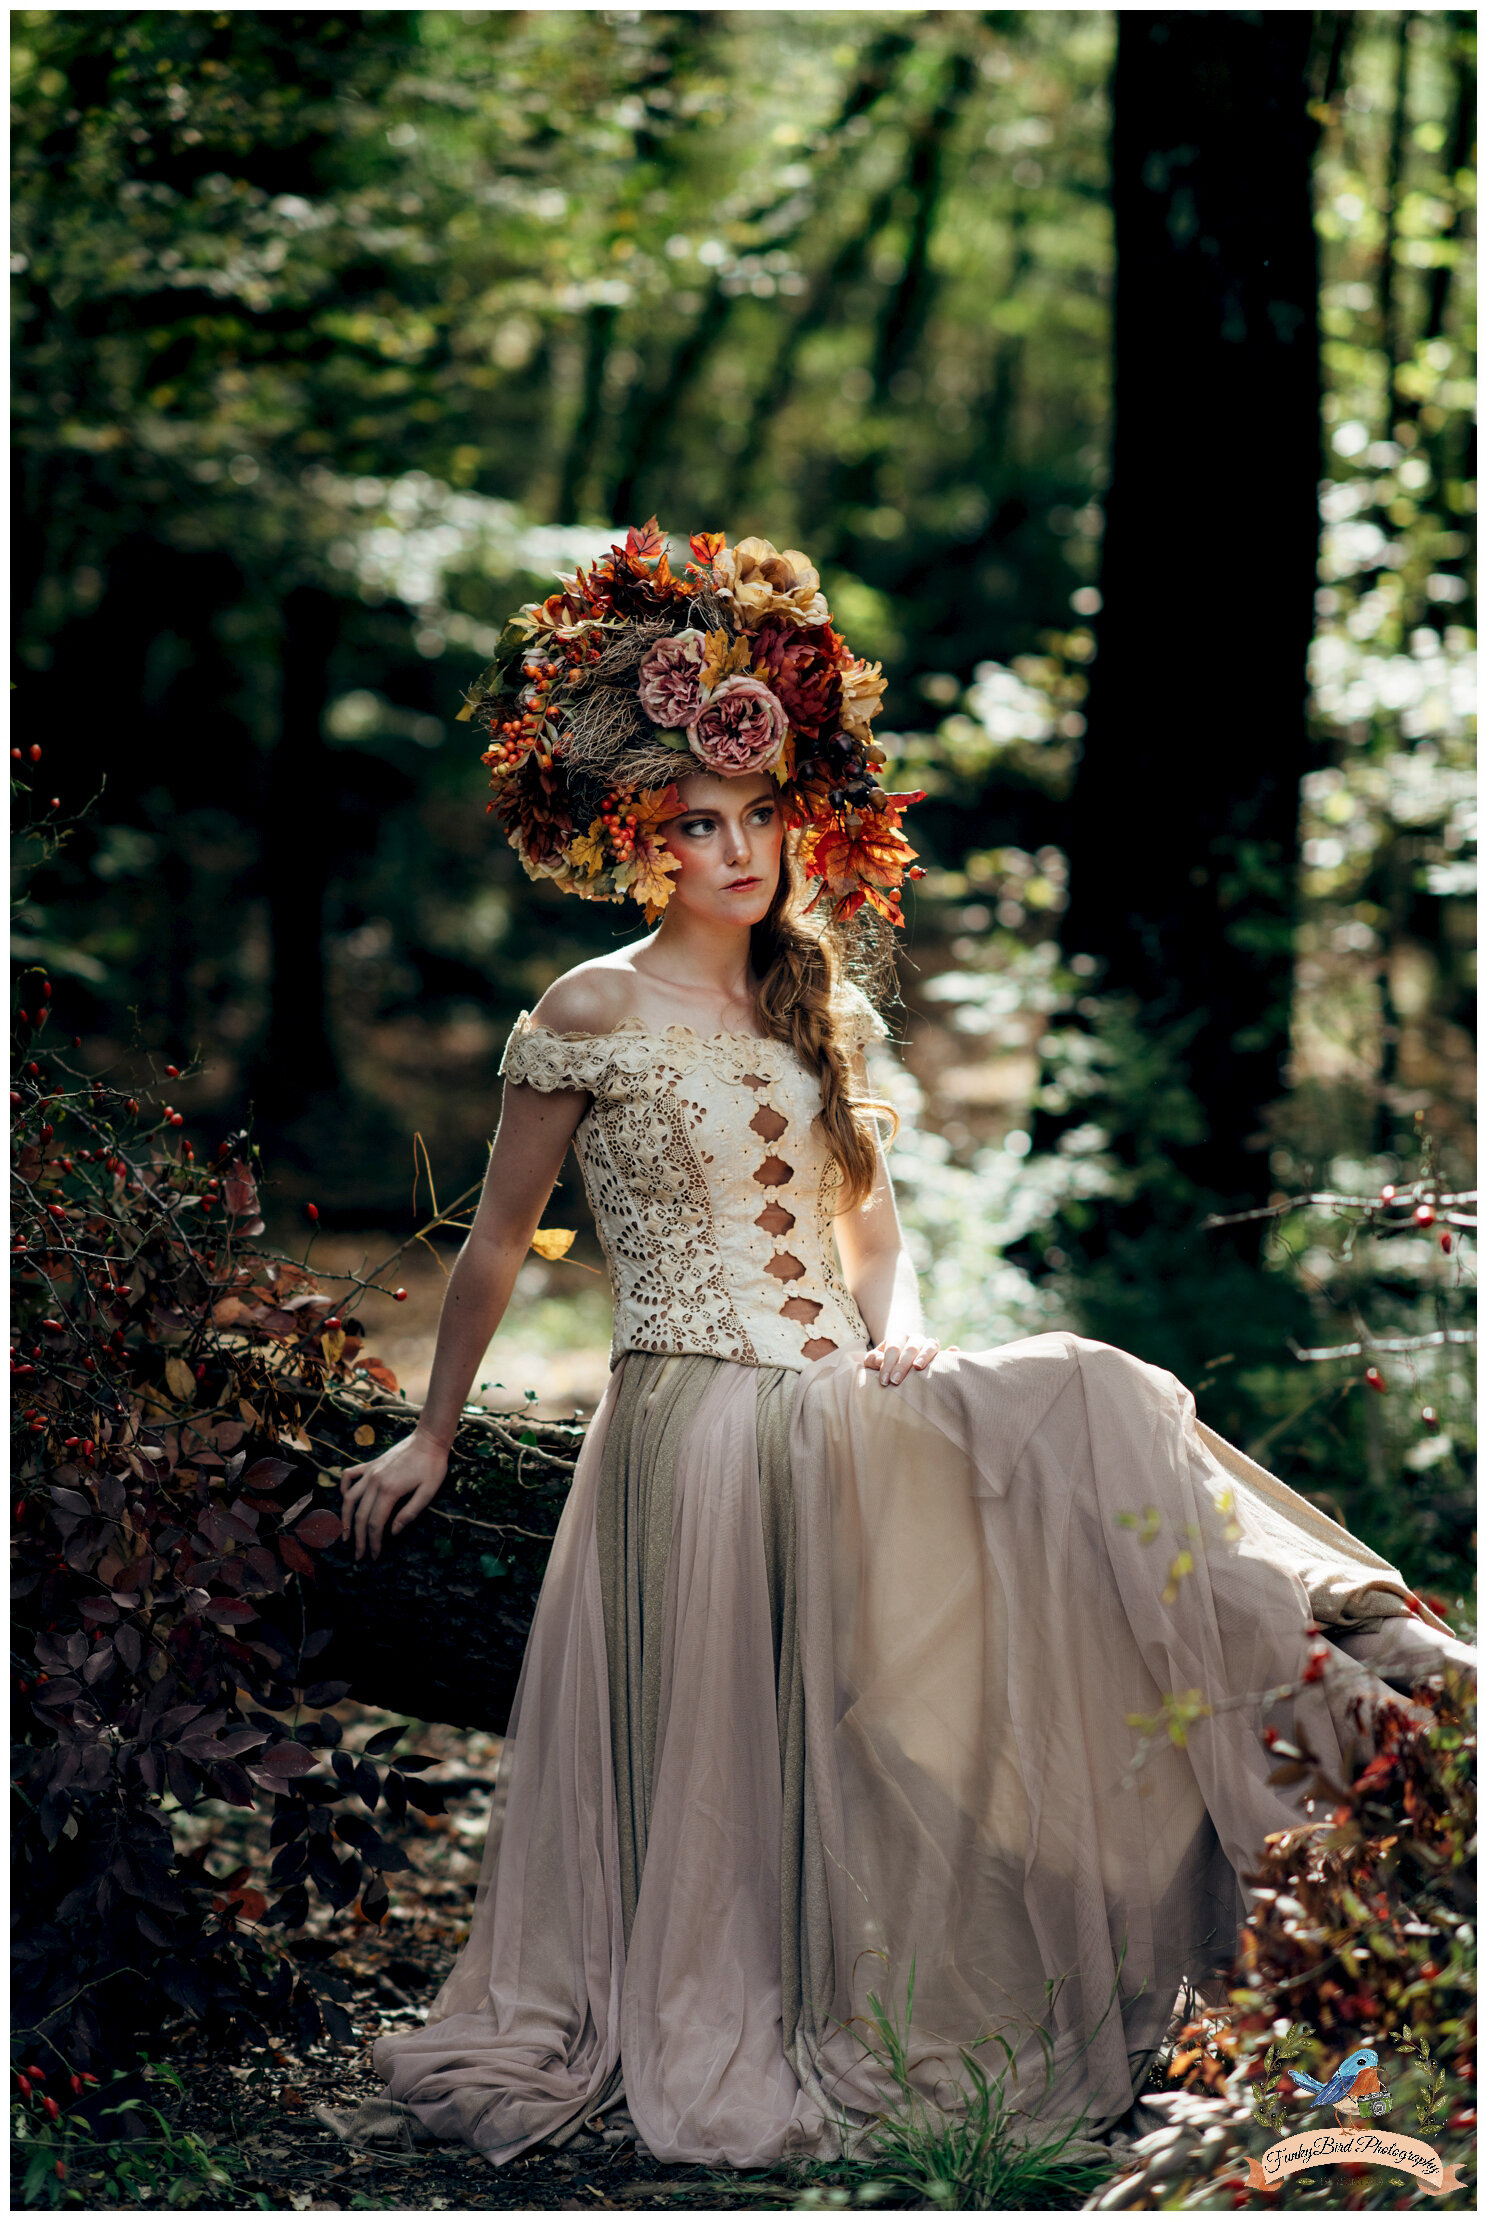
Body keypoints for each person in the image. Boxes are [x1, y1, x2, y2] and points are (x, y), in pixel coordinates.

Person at [323, 527, 1474, 2173]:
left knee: (1079, 1398)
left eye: (756, 817)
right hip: (699, 1416)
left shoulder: (815, 1006)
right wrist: (432, 1431)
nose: (734, 850)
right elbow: (504, 1237)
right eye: (696, 827)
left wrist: (908, 1338)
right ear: (644, 845)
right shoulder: (588, 1009)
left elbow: (872, 1236)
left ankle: (1352, 1659)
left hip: (830, 1387)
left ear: (796, 819)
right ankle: (1340, 1653)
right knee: (1080, 1392)